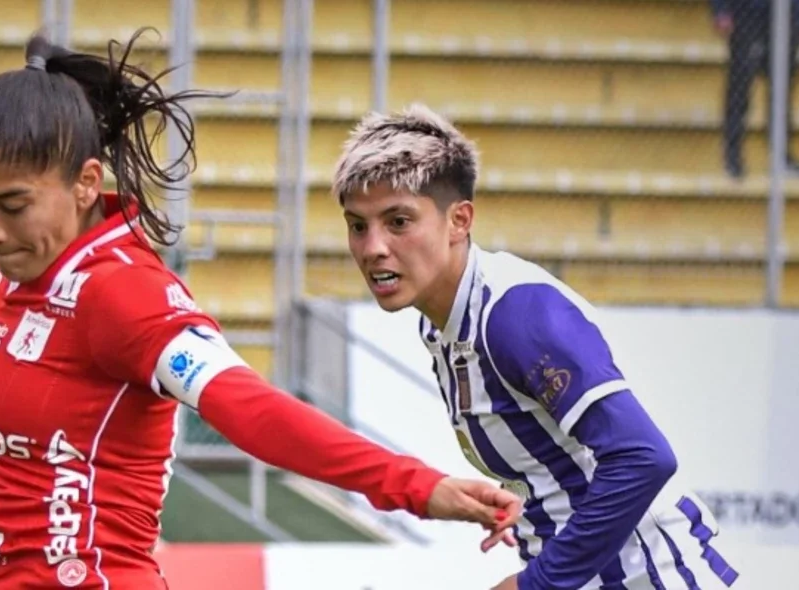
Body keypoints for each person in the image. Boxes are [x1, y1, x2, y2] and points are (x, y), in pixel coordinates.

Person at [0, 29, 521, 589]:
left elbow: (250, 408)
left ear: (86, 183)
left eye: (11, 205)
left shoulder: (122, 296)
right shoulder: (26, 260)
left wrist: (415, 485)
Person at [331, 103, 740, 590]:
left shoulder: (515, 314)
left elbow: (642, 457)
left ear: (460, 220)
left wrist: (536, 584)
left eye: (398, 222)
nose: (373, 247)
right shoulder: (440, 323)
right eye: (358, 225)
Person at [710, 0, 798, 178]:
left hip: (786, 14)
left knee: (781, 86)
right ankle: (732, 154)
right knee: (741, 81)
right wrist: (720, 10)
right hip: (747, 11)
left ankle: (781, 155)